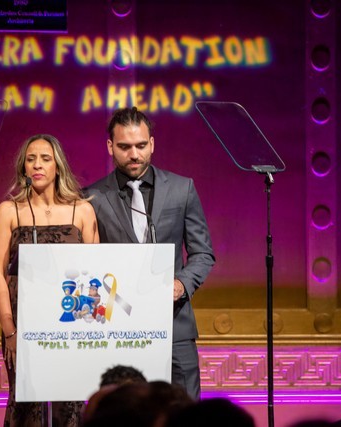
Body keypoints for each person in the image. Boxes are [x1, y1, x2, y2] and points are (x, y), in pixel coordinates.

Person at [86, 107, 215, 400]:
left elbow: (203, 253)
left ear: (152, 144)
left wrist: (181, 284)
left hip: (174, 323)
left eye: (141, 145)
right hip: (118, 327)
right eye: (125, 147)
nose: (134, 154)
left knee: (184, 411)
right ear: (110, 146)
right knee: (124, 411)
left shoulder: (182, 189)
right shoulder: (91, 197)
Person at [0, 134, 99, 427]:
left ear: (57, 166)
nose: (37, 165)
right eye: (31, 159)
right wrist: (10, 331)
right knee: (27, 401)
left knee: (71, 401)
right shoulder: (9, 210)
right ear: (23, 167)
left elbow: (94, 275)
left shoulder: (82, 210)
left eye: (45, 159)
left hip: (72, 326)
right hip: (23, 326)